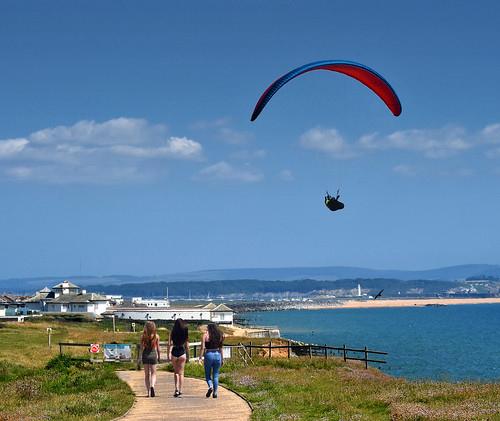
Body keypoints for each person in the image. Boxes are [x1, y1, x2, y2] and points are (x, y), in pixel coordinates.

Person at [200, 323, 224, 398]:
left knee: (207, 375)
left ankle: (210, 386)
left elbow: (203, 347)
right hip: (217, 355)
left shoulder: (205, 335)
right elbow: (221, 348)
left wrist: (200, 357)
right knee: (216, 375)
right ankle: (215, 393)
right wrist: (222, 359)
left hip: (209, 354)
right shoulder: (220, 335)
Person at [168, 318, 189, 397]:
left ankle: (176, 389)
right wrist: (188, 355)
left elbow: (169, 344)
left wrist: (168, 354)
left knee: (176, 372)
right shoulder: (185, 331)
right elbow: (187, 345)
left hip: (174, 351)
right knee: (181, 373)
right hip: (182, 351)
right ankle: (180, 390)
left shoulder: (172, 332)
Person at [139, 321, 160, 397]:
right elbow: (158, 348)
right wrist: (159, 356)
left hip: (145, 355)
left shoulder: (143, 336)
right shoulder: (156, 336)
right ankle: (152, 386)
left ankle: (148, 392)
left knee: (147, 375)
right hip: (153, 355)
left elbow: (141, 348)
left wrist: (139, 359)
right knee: (153, 374)